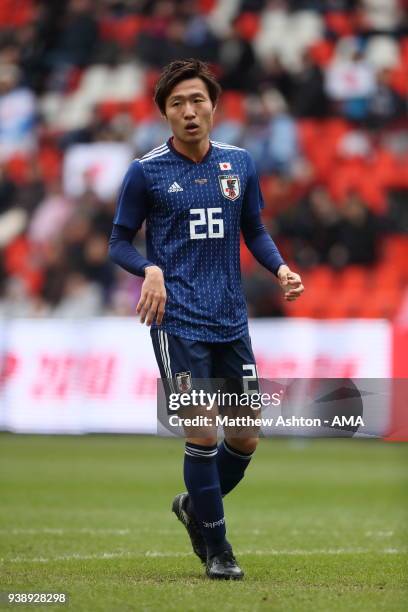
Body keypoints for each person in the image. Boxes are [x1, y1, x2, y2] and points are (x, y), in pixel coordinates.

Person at [109, 59, 304, 580]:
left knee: (244, 439)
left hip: (230, 320)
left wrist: (280, 266)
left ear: (214, 107)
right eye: (177, 104)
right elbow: (117, 241)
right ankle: (218, 550)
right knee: (201, 434)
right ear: (164, 114)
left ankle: (194, 505)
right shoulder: (145, 171)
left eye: (197, 101)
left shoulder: (239, 164)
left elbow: (255, 230)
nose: (189, 111)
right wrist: (148, 268)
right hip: (178, 323)